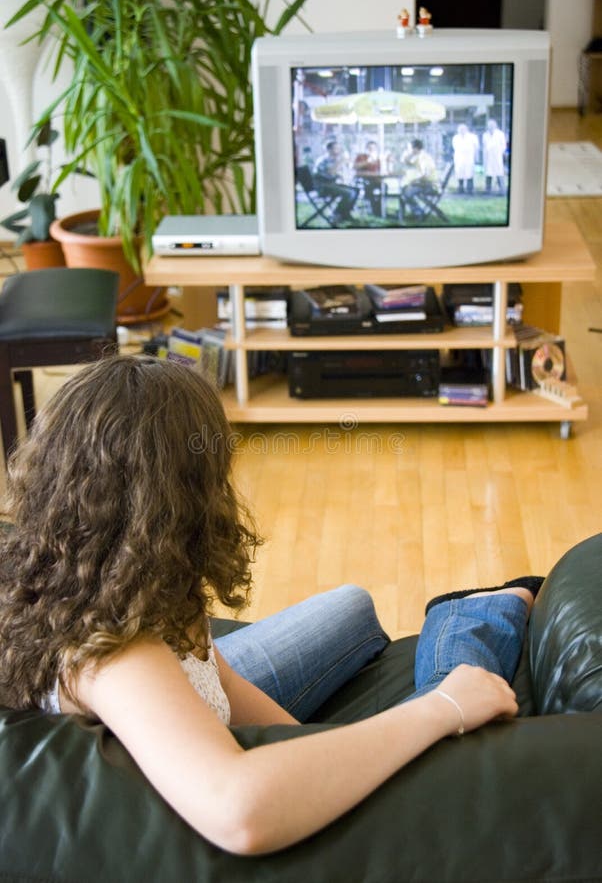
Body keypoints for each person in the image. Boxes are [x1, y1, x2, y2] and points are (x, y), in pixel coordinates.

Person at [0, 355, 544, 856]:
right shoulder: (115, 655)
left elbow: (221, 680)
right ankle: (470, 621)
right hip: (173, 746)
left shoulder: (125, 581)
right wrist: (440, 708)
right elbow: (240, 813)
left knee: (352, 606)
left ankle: (465, 622)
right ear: (181, 495)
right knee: (447, 700)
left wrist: (334, 757)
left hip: (181, 701)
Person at [314, 139, 358, 224]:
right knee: (348, 193)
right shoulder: (324, 160)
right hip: (323, 187)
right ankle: (336, 214)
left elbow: (335, 173)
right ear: (328, 150)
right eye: (336, 148)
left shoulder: (333, 160)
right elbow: (331, 172)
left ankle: (346, 214)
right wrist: (341, 161)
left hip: (331, 184)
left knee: (356, 190)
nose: (338, 150)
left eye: (339, 148)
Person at [399, 138, 440, 218]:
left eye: (409, 148)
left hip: (430, 185)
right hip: (425, 184)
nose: (408, 150)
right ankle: (415, 212)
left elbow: (426, 175)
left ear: (415, 149)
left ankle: (418, 213)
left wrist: (414, 181)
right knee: (404, 188)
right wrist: (408, 154)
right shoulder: (419, 156)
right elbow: (405, 162)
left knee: (406, 192)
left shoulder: (424, 158)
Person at [353, 140, 383, 216]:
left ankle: (380, 208)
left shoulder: (377, 159)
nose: (371, 150)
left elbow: (379, 171)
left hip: (375, 180)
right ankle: (374, 210)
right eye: (370, 148)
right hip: (363, 180)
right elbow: (355, 167)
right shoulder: (361, 157)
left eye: (374, 148)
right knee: (369, 187)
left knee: (384, 186)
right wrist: (368, 162)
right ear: (366, 148)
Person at [452, 123, 479, 194]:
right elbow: (455, 147)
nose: (462, 131)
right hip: (459, 158)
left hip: (469, 158)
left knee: (469, 173)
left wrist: (476, 157)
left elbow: (476, 148)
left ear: (466, 129)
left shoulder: (472, 137)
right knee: (460, 173)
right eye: (460, 129)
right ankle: (460, 189)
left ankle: (470, 189)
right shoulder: (455, 137)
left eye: (463, 129)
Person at [482, 119, 507, 193]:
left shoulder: (500, 134)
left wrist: (499, 152)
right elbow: (484, 146)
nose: (490, 126)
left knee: (499, 173)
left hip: (497, 156)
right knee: (488, 174)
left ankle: (502, 190)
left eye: (492, 125)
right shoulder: (485, 135)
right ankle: (488, 190)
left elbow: (503, 145)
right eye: (489, 125)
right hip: (489, 157)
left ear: (495, 125)